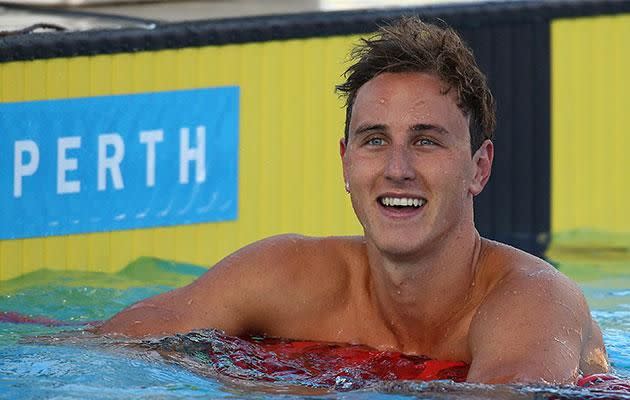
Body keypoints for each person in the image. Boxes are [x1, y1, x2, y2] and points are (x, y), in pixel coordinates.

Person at [96, 17, 609, 384]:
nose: (398, 169)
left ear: (479, 167)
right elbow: (99, 350)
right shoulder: (284, 276)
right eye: (375, 140)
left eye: (426, 140)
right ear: (346, 163)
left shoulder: (534, 301)